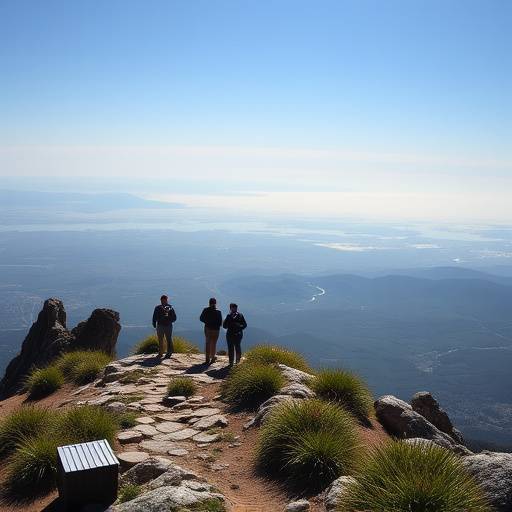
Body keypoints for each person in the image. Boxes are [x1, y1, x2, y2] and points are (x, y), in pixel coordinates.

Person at [152, 294, 177, 359]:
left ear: (166, 300)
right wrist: (154, 323)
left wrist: (169, 320)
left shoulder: (170, 308)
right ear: (161, 300)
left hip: (168, 326)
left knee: (168, 339)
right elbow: (154, 316)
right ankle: (160, 353)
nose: (163, 301)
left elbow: (174, 317)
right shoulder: (157, 308)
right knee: (160, 339)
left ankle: (169, 352)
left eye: (164, 300)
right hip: (160, 325)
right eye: (162, 300)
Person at [199, 297, 223, 365]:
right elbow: (220, 323)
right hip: (216, 330)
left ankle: (207, 359)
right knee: (214, 344)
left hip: (208, 328)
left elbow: (201, 318)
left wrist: (207, 322)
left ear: (209, 303)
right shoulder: (218, 312)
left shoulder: (205, 310)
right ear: (216, 303)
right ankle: (212, 358)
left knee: (208, 343)